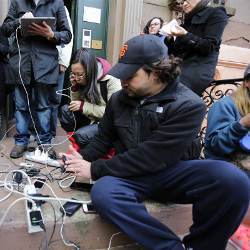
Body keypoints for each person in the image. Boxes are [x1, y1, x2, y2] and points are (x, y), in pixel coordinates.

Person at [61, 35, 249, 250]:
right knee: (104, 192)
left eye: (130, 75)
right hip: (131, 176)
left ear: (157, 71)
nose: (123, 81)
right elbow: (103, 138)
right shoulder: (119, 99)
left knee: (234, 180)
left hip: (172, 173)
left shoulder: (189, 104)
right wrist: (79, 159)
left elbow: (152, 156)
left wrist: (94, 169)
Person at [1, 0, 72, 158]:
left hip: (45, 65)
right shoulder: (17, 2)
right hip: (21, 63)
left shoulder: (57, 3)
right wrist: (20, 21)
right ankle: (21, 143)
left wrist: (51, 34)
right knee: (21, 107)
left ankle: (45, 143)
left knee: (43, 107)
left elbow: (67, 35)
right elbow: (4, 29)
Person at [205, 65, 250, 250]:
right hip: (230, 175)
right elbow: (214, 145)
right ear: (247, 82)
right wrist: (242, 124)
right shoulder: (225, 106)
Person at [59, 48, 121, 150]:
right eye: (74, 74)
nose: (77, 78)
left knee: (81, 136)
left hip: (106, 123)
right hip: (90, 118)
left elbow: (114, 113)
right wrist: (74, 88)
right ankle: (79, 141)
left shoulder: (111, 79)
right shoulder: (80, 79)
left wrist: (84, 106)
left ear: (90, 70)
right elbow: (75, 104)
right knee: (65, 111)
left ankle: (85, 147)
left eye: (80, 74)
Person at [165, 0, 228, 96]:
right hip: (178, 68)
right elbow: (174, 52)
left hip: (196, 70)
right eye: (182, 2)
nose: (184, 4)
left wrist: (185, 35)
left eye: (187, 0)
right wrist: (169, 38)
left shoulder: (217, 12)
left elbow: (208, 46)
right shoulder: (187, 20)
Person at [49, 6, 74, 139]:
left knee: (54, 99)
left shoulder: (61, 7)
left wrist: (64, 61)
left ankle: (51, 133)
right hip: (38, 61)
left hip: (57, 62)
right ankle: (35, 131)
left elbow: (68, 36)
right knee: (38, 99)